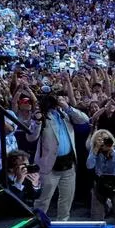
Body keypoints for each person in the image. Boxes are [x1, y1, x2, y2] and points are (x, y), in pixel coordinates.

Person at [27, 92, 89, 221]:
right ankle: (36, 224)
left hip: (68, 165)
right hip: (49, 167)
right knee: (43, 200)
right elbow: (31, 137)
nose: (56, 102)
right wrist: (37, 121)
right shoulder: (41, 116)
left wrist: (67, 107)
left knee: (66, 200)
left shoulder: (65, 114)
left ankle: (63, 224)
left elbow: (84, 119)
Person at [86, 129, 115, 224]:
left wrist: (112, 150)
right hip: (100, 182)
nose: (104, 142)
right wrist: (95, 150)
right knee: (96, 220)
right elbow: (89, 165)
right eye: (101, 140)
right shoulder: (95, 149)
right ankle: (106, 206)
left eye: (106, 139)